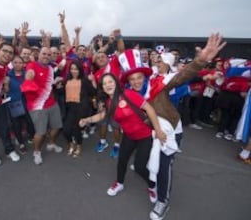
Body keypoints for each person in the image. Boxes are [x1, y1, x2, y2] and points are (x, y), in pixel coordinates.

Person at [122, 33, 226, 220]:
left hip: (168, 130)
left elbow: (182, 76)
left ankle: (162, 201)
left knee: (163, 165)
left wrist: (200, 61)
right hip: (151, 129)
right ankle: (153, 182)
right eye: (133, 79)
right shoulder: (144, 82)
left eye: (160, 60)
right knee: (143, 161)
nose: (136, 81)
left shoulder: (164, 81)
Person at [79, 73, 166, 202]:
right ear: (102, 88)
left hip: (145, 136)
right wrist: (87, 120)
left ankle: (152, 187)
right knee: (122, 161)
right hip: (128, 136)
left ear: (115, 82)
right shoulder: (109, 102)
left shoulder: (129, 94)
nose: (108, 85)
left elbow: (150, 110)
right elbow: (103, 115)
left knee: (140, 167)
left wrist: (158, 130)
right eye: (104, 84)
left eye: (110, 82)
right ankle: (119, 183)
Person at [21, 47, 63, 165]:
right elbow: (30, 74)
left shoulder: (50, 68)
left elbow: (47, 84)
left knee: (57, 127)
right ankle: (37, 152)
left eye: (48, 55)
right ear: (38, 54)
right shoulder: (32, 65)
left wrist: (55, 83)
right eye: (43, 54)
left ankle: (51, 143)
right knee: (41, 132)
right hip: (37, 106)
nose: (46, 56)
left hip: (52, 103)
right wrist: (28, 79)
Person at [63, 61, 96, 157]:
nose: (74, 71)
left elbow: (93, 92)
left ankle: (79, 146)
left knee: (77, 129)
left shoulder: (84, 80)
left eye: (76, 69)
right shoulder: (67, 80)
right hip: (70, 107)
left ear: (80, 70)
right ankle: (71, 144)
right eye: (72, 68)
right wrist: (57, 86)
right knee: (66, 130)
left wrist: (93, 80)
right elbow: (62, 91)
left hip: (81, 108)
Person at [7, 55, 35, 154]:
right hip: (14, 104)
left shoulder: (26, 74)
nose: (18, 64)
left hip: (26, 103)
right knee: (16, 125)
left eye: (20, 62)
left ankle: (31, 136)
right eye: (15, 62)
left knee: (30, 122)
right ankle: (20, 142)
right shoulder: (8, 75)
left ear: (23, 64)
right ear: (12, 63)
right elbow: (5, 90)